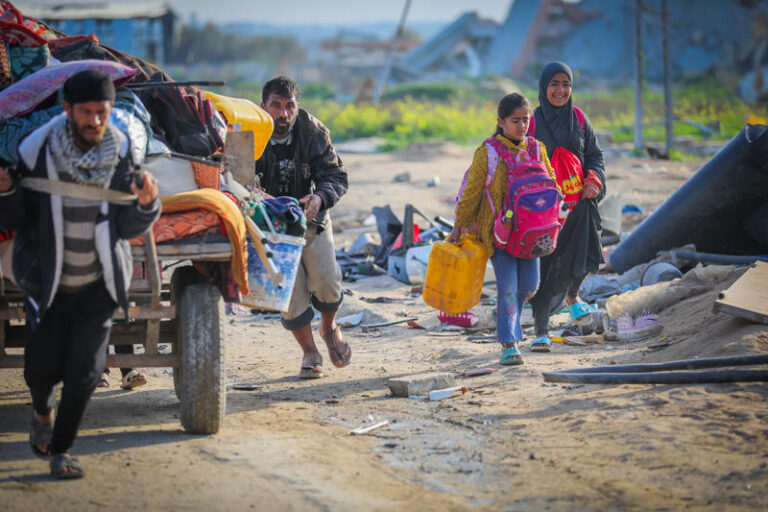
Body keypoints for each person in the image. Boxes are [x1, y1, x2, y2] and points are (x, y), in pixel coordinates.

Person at [0, 69, 160, 479]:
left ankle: (62, 451)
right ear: (67, 109)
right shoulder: (36, 150)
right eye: (85, 112)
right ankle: (41, 411)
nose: (94, 121)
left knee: (85, 372)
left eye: (101, 113)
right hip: (48, 279)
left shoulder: (123, 150)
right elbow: (19, 218)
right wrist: (6, 191)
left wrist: (146, 205)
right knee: (41, 369)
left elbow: (127, 227)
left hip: (99, 282)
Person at [449, 93, 559, 365]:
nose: (522, 126)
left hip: (533, 234)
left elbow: (552, 181)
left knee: (529, 287)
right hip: (499, 233)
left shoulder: (537, 148)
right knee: (508, 288)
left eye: (526, 120)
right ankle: (509, 343)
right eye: (515, 120)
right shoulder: (488, 152)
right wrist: (459, 225)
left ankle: (505, 316)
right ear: (501, 122)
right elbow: (472, 192)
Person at [255, 76, 351, 379]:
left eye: (289, 106)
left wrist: (320, 197)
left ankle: (328, 327)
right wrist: (254, 194)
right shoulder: (249, 132)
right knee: (289, 295)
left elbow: (336, 176)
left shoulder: (314, 131)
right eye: (276, 106)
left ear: (297, 107)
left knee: (326, 279)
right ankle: (310, 352)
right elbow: (231, 178)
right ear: (263, 106)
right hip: (270, 226)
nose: (283, 114)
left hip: (312, 220)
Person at [528, 62, 607, 351]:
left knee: (587, 256)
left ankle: (572, 296)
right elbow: (515, 159)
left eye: (566, 84)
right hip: (543, 211)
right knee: (546, 268)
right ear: (543, 86)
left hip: (579, 204)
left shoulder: (579, 118)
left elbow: (595, 155)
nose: (561, 90)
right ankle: (540, 330)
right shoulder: (532, 121)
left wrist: (593, 180)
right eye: (554, 84)